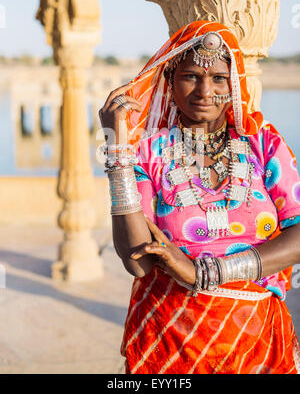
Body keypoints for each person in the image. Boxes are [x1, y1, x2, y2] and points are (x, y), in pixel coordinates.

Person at [98, 20, 300, 374]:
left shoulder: (263, 144)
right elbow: (137, 261)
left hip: (257, 343)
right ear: (170, 84)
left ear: (233, 85)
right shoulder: (148, 153)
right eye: (191, 76)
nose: (205, 91)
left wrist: (202, 272)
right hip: (171, 341)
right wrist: (117, 151)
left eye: (219, 78)